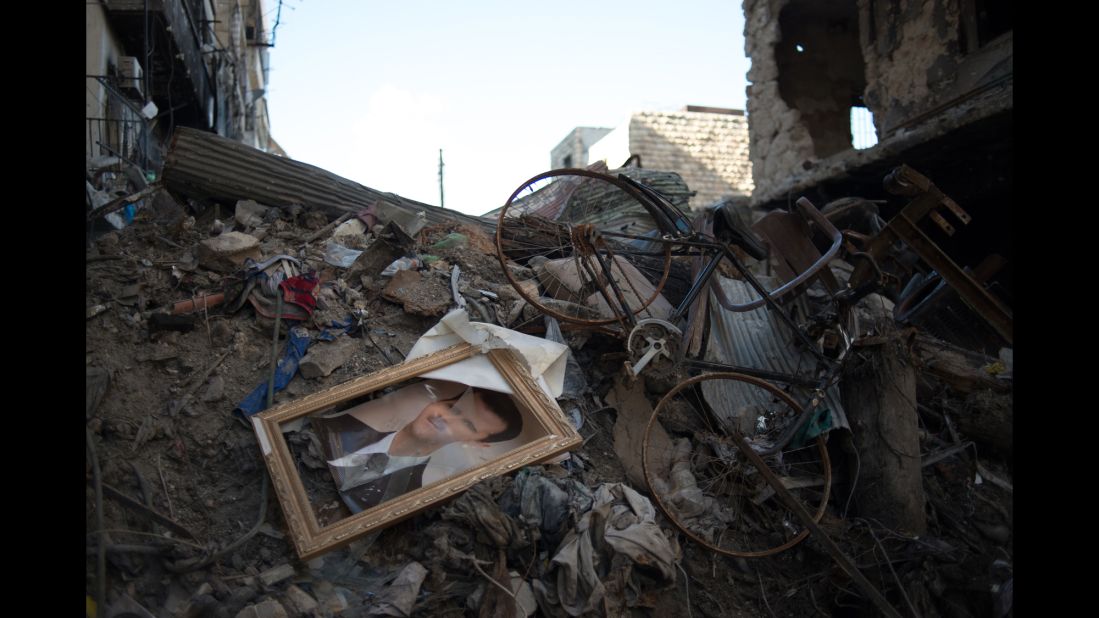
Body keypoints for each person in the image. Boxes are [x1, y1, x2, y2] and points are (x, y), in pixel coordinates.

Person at [311, 382, 523, 513]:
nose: (445, 418)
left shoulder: (409, 499)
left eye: (467, 424)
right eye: (450, 406)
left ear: (476, 443)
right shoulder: (336, 425)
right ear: (437, 401)